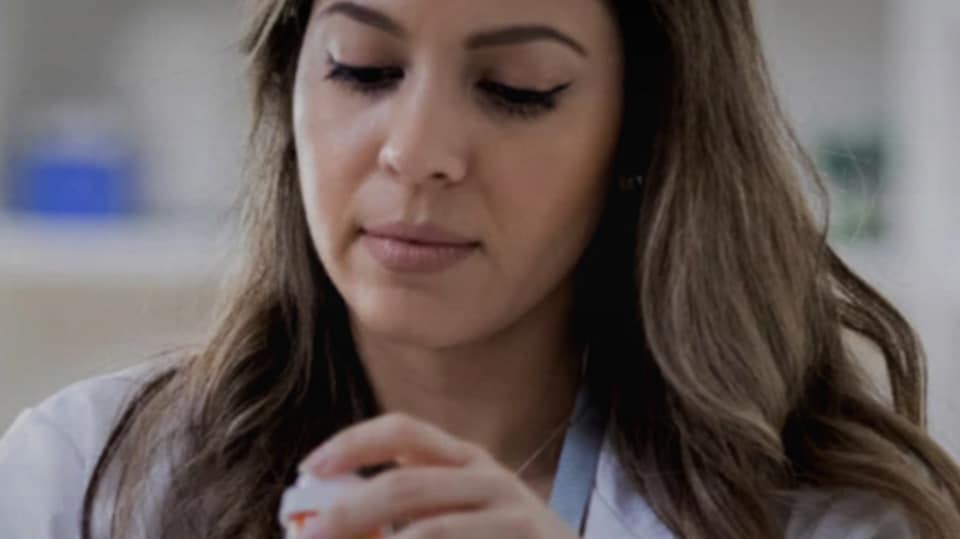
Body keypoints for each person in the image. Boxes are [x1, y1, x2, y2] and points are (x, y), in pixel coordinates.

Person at [2, 0, 959, 537]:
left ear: (643, 130)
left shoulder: (835, 521)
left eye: (516, 90)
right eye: (364, 69)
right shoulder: (78, 478)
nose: (417, 151)